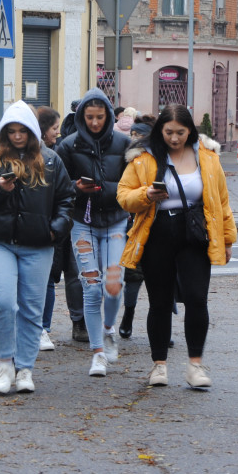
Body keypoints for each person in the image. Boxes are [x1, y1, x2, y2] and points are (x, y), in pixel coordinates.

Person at [117, 104, 236, 388]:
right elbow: (123, 195)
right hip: (156, 233)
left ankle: (195, 365)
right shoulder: (143, 157)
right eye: (168, 132)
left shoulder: (206, 156)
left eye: (180, 132)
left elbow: (221, 200)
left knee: (197, 298)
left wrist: (228, 238)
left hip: (194, 233)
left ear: (190, 130)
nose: (174, 138)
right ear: (160, 130)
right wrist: (146, 194)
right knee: (159, 302)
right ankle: (159, 365)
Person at [0, 101, 74, 394]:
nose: (17, 137)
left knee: (31, 308)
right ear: (3, 133)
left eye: (22, 131)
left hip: (38, 244)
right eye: (11, 131)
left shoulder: (51, 160)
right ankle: (4, 365)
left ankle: (25, 368)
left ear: (31, 131)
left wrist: (55, 231)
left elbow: (66, 199)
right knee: (1, 302)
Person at [56, 88, 131, 377]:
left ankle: (109, 329)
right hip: (82, 222)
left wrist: (111, 191)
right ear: (81, 117)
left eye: (100, 117)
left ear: (109, 116)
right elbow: (59, 186)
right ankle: (97, 353)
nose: (95, 123)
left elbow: (131, 184)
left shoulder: (124, 143)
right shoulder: (69, 145)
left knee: (114, 284)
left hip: (115, 220)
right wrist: (76, 187)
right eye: (89, 117)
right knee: (91, 287)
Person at [35, 106, 85, 352]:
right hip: (49, 224)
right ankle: (41, 328)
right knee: (47, 278)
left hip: (65, 222)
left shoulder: (59, 150)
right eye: (54, 129)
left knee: (65, 275)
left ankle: (55, 325)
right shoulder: (42, 156)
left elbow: (64, 191)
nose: (57, 132)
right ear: (43, 130)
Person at [118, 114, 156, 339]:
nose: (133, 138)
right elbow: (123, 192)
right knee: (133, 275)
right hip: (134, 225)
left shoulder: (161, 157)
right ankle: (128, 316)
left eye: (138, 134)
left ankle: (164, 324)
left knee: (164, 280)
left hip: (161, 225)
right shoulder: (130, 159)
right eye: (132, 134)